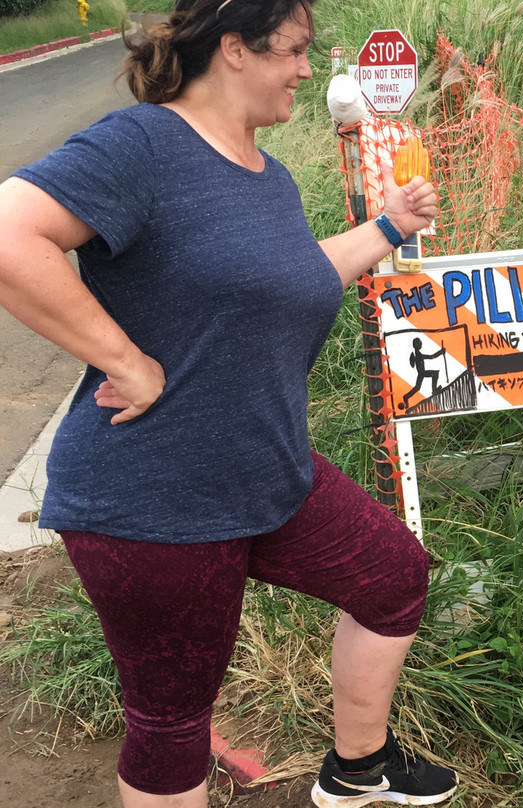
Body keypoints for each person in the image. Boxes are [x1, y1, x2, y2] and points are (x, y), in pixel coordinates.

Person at [0, 0, 459, 806]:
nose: (310, 70)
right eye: (296, 50)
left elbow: (285, 279)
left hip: (265, 472)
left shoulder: (264, 172)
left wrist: (389, 226)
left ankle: (360, 767)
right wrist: (125, 360)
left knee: (394, 577)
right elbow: (10, 233)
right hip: (152, 499)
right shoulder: (142, 145)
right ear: (236, 49)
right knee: (174, 725)